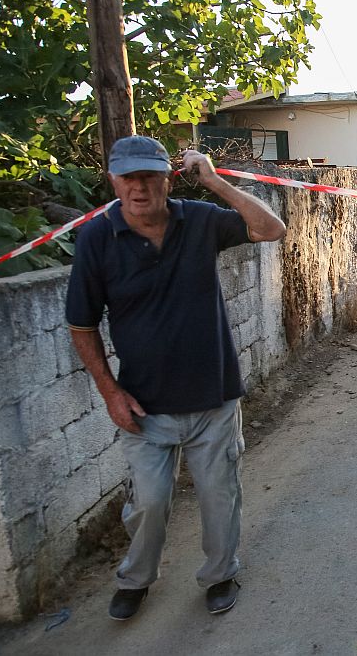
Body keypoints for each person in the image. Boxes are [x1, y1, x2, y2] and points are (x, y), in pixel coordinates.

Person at [65, 135, 286, 620]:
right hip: (145, 406)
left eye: (149, 176)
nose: (139, 188)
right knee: (149, 503)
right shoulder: (97, 240)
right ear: (113, 181)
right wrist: (110, 393)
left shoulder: (199, 220)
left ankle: (220, 574)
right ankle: (136, 579)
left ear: (168, 179)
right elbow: (81, 325)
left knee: (218, 496)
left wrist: (212, 180)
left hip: (213, 398)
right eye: (129, 177)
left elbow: (270, 229)